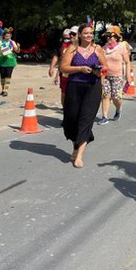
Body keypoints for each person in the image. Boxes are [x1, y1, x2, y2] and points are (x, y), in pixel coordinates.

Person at [59, 24, 107, 168]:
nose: (89, 35)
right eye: (86, 33)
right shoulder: (72, 49)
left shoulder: (98, 49)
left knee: (86, 120)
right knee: (71, 120)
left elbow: (105, 67)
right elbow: (63, 68)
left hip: (93, 88)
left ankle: (79, 155)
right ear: (79, 34)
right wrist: (79, 68)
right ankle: (75, 144)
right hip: (74, 86)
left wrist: (99, 72)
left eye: (91, 33)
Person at [99, 26, 131, 125]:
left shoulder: (121, 48)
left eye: (110, 36)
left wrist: (128, 76)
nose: (108, 38)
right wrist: (101, 77)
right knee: (105, 95)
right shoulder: (103, 48)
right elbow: (102, 64)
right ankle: (104, 116)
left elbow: (127, 62)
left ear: (116, 37)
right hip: (106, 76)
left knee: (116, 97)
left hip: (117, 76)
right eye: (107, 36)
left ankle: (118, 109)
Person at [49, 27, 77, 107]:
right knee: (64, 92)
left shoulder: (83, 46)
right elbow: (59, 58)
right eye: (70, 34)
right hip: (65, 73)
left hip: (77, 74)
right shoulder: (64, 46)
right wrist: (52, 68)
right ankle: (66, 110)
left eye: (74, 34)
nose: (71, 37)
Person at [0, 28, 20, 97]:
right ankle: (3, 89)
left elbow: (17, 51)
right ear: (4, 36)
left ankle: (6, 90)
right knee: (2, 76)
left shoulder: (12, 42)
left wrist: (18, 47)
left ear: (11, 36)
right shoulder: (0, 42)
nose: (8, 37)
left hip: (10, 60)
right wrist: (1, 52)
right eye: (6, 35)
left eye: (9, 35)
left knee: (8, 76)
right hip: (1, 59)